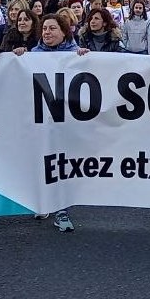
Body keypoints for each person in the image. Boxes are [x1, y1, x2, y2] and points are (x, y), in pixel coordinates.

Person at [30, 14, 90, 232]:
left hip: (65, 122)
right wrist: (17, 57)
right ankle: (43, 201)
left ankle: (61, 210)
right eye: (44, 28)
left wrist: (85, 58)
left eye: (52, 28)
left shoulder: (76, 54)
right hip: (41, 120)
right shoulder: (32, 55)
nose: (47, 32)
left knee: (62, 164)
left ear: (64, 32)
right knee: (41, 160)